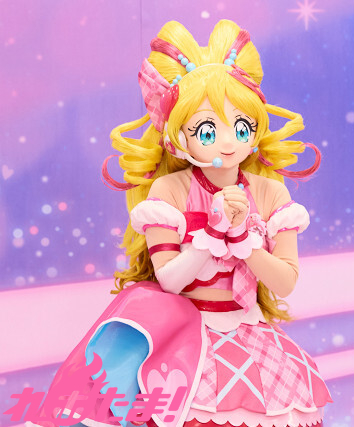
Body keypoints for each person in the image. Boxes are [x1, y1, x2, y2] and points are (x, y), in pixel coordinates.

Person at [43, 19, 330, 427]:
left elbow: (285, 282)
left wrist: (244, 240)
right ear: (178, 140)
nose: (228, 142)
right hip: (185, 338)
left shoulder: (270, 194)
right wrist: (210, 234)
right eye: (208, 131)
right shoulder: (170, 191)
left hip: (252, 332)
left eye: (242, 126)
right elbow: (170, 281)